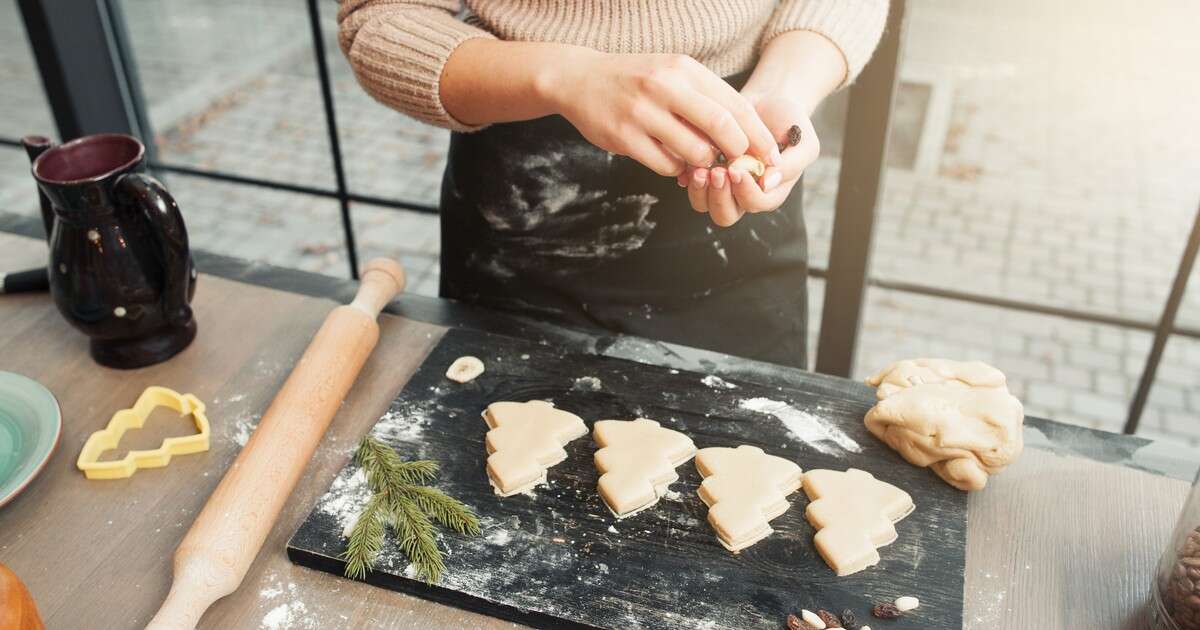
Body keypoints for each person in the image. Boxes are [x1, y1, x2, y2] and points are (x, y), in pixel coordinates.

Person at [337, 1, 888, 368]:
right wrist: (564, 76)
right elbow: (379, 19)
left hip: (740, 159)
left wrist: (786, 87)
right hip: (521, 197)